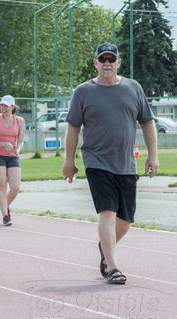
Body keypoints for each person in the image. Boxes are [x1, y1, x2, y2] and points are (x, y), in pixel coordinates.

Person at [62, 43, 159, 284]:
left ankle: (105, 249)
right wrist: (69, 160)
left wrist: (152, 155)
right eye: (102, 59)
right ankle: (114, 266)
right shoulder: (83, 91)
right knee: (107, 211)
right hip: (96, 160)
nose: (107, 63)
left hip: (126, 163)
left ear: (118, 62)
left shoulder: (133, 88)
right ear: (95, 63)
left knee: (125, 220)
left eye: (111, 59)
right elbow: (73, 127)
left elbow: (147, 122)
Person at [0, 95, 25, 226]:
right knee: (2, 185)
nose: (4, 108)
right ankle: (5, 216)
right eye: (2, 105)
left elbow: (20, 141)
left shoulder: (20, 121)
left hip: (13, 156)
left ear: (13, 107)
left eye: (6, 106)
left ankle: (4, 205)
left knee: (15, 187)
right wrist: (3, 144)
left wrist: (18, 150)